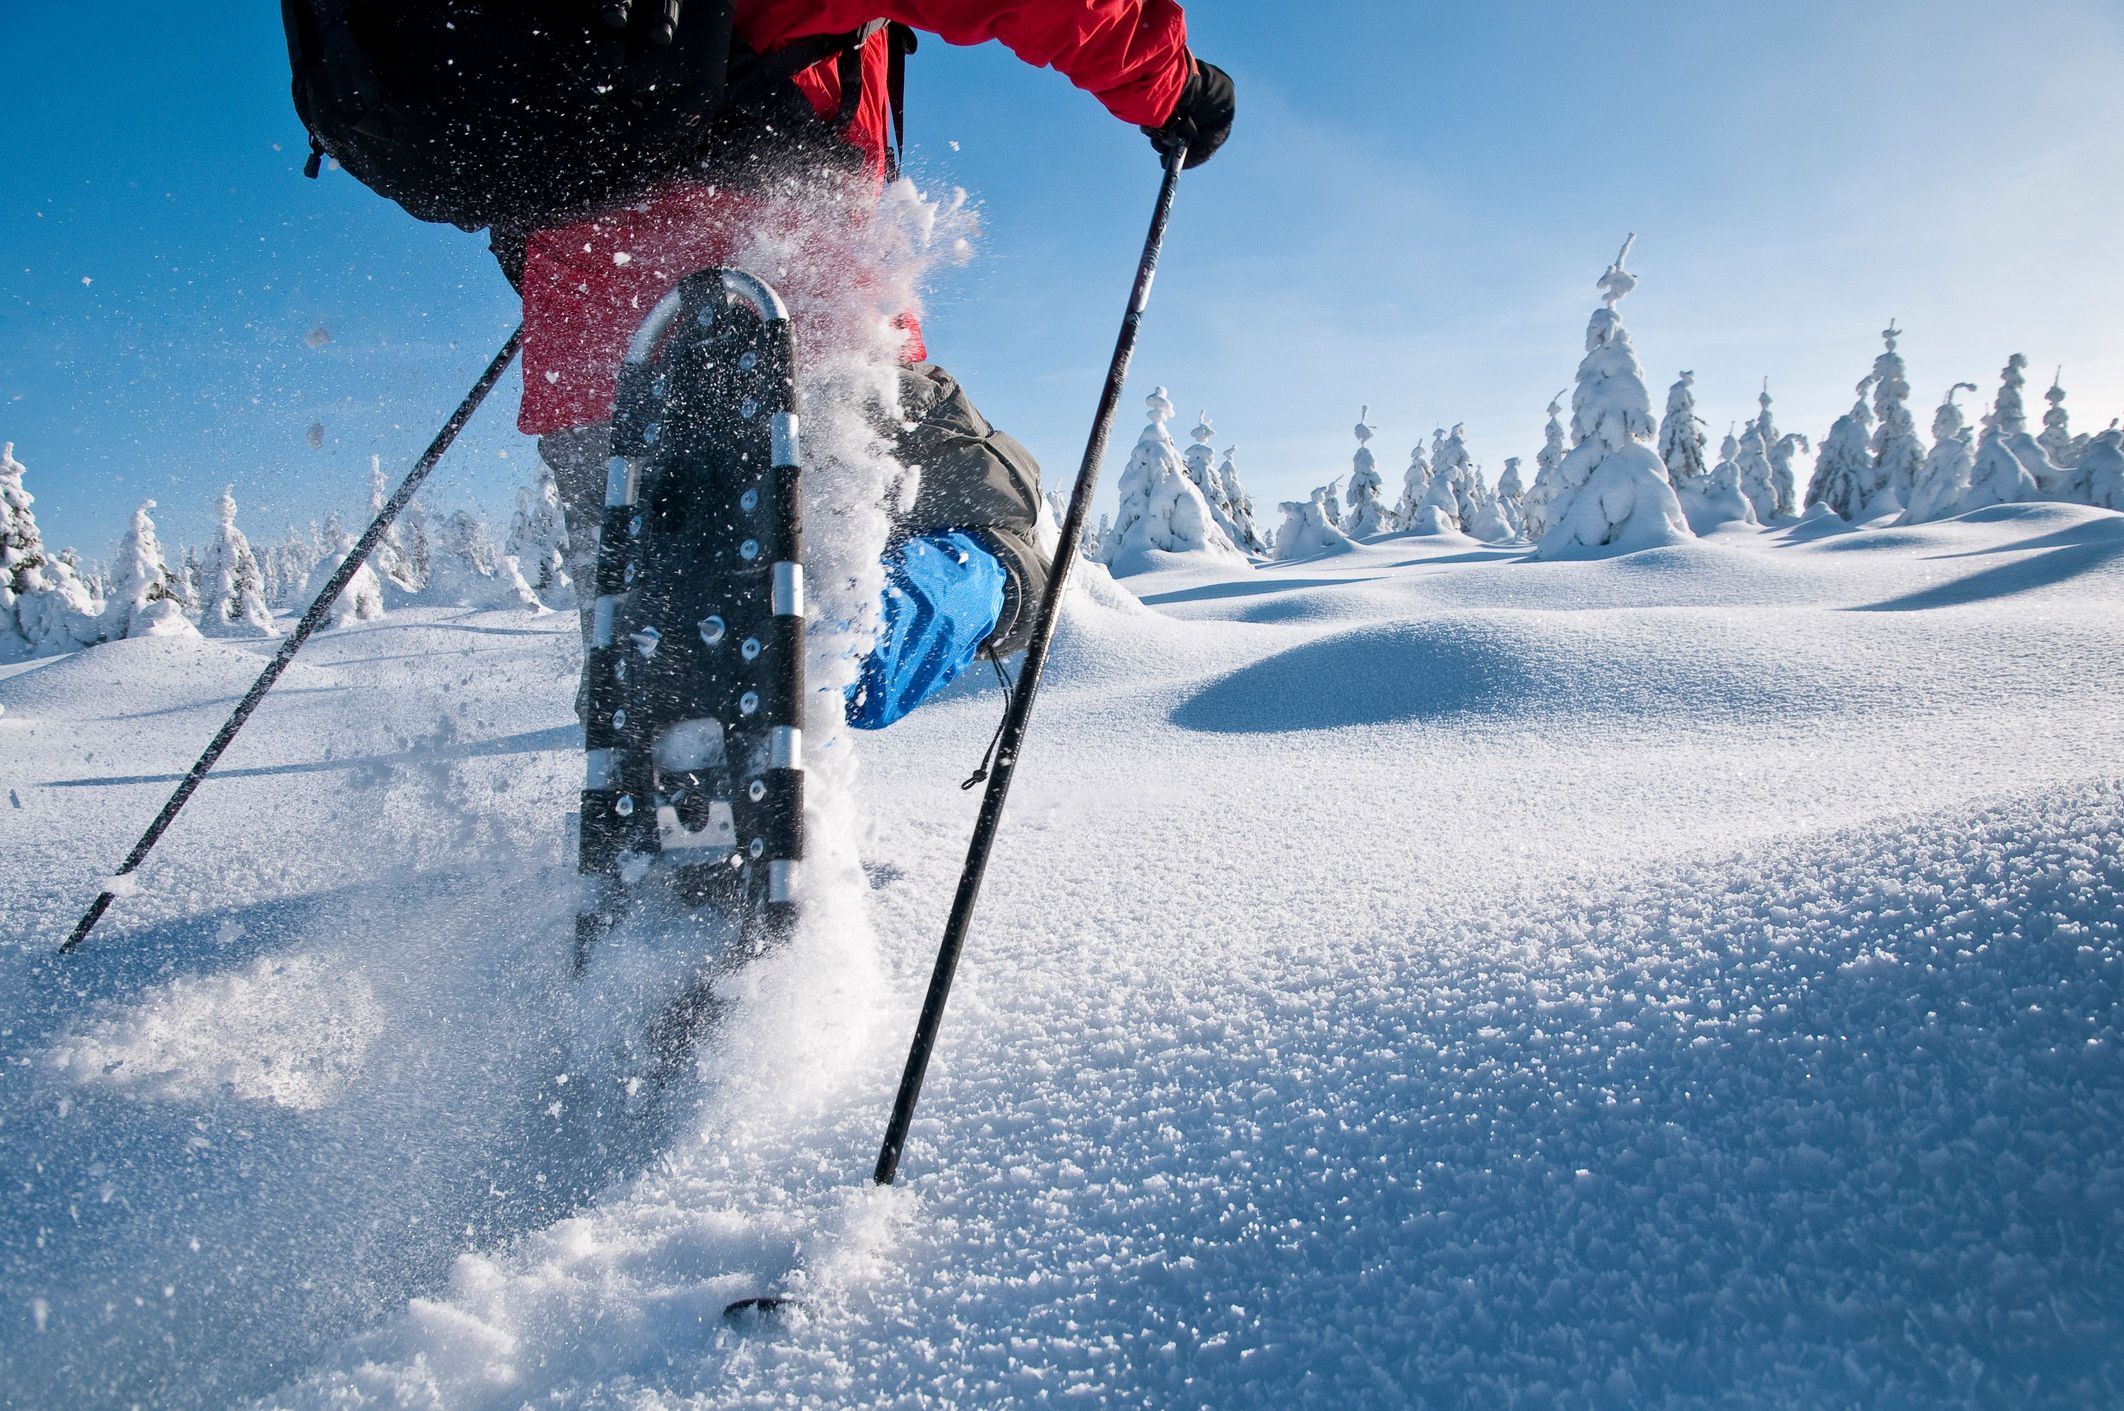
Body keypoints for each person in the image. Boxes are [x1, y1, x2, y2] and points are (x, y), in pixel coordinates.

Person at [507, 3, 1235, 728]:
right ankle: (842, 648)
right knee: (1010, 526)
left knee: (655, 680)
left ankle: (680, 724)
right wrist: (1168, 80)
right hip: (801, 320)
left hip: (594, 365)